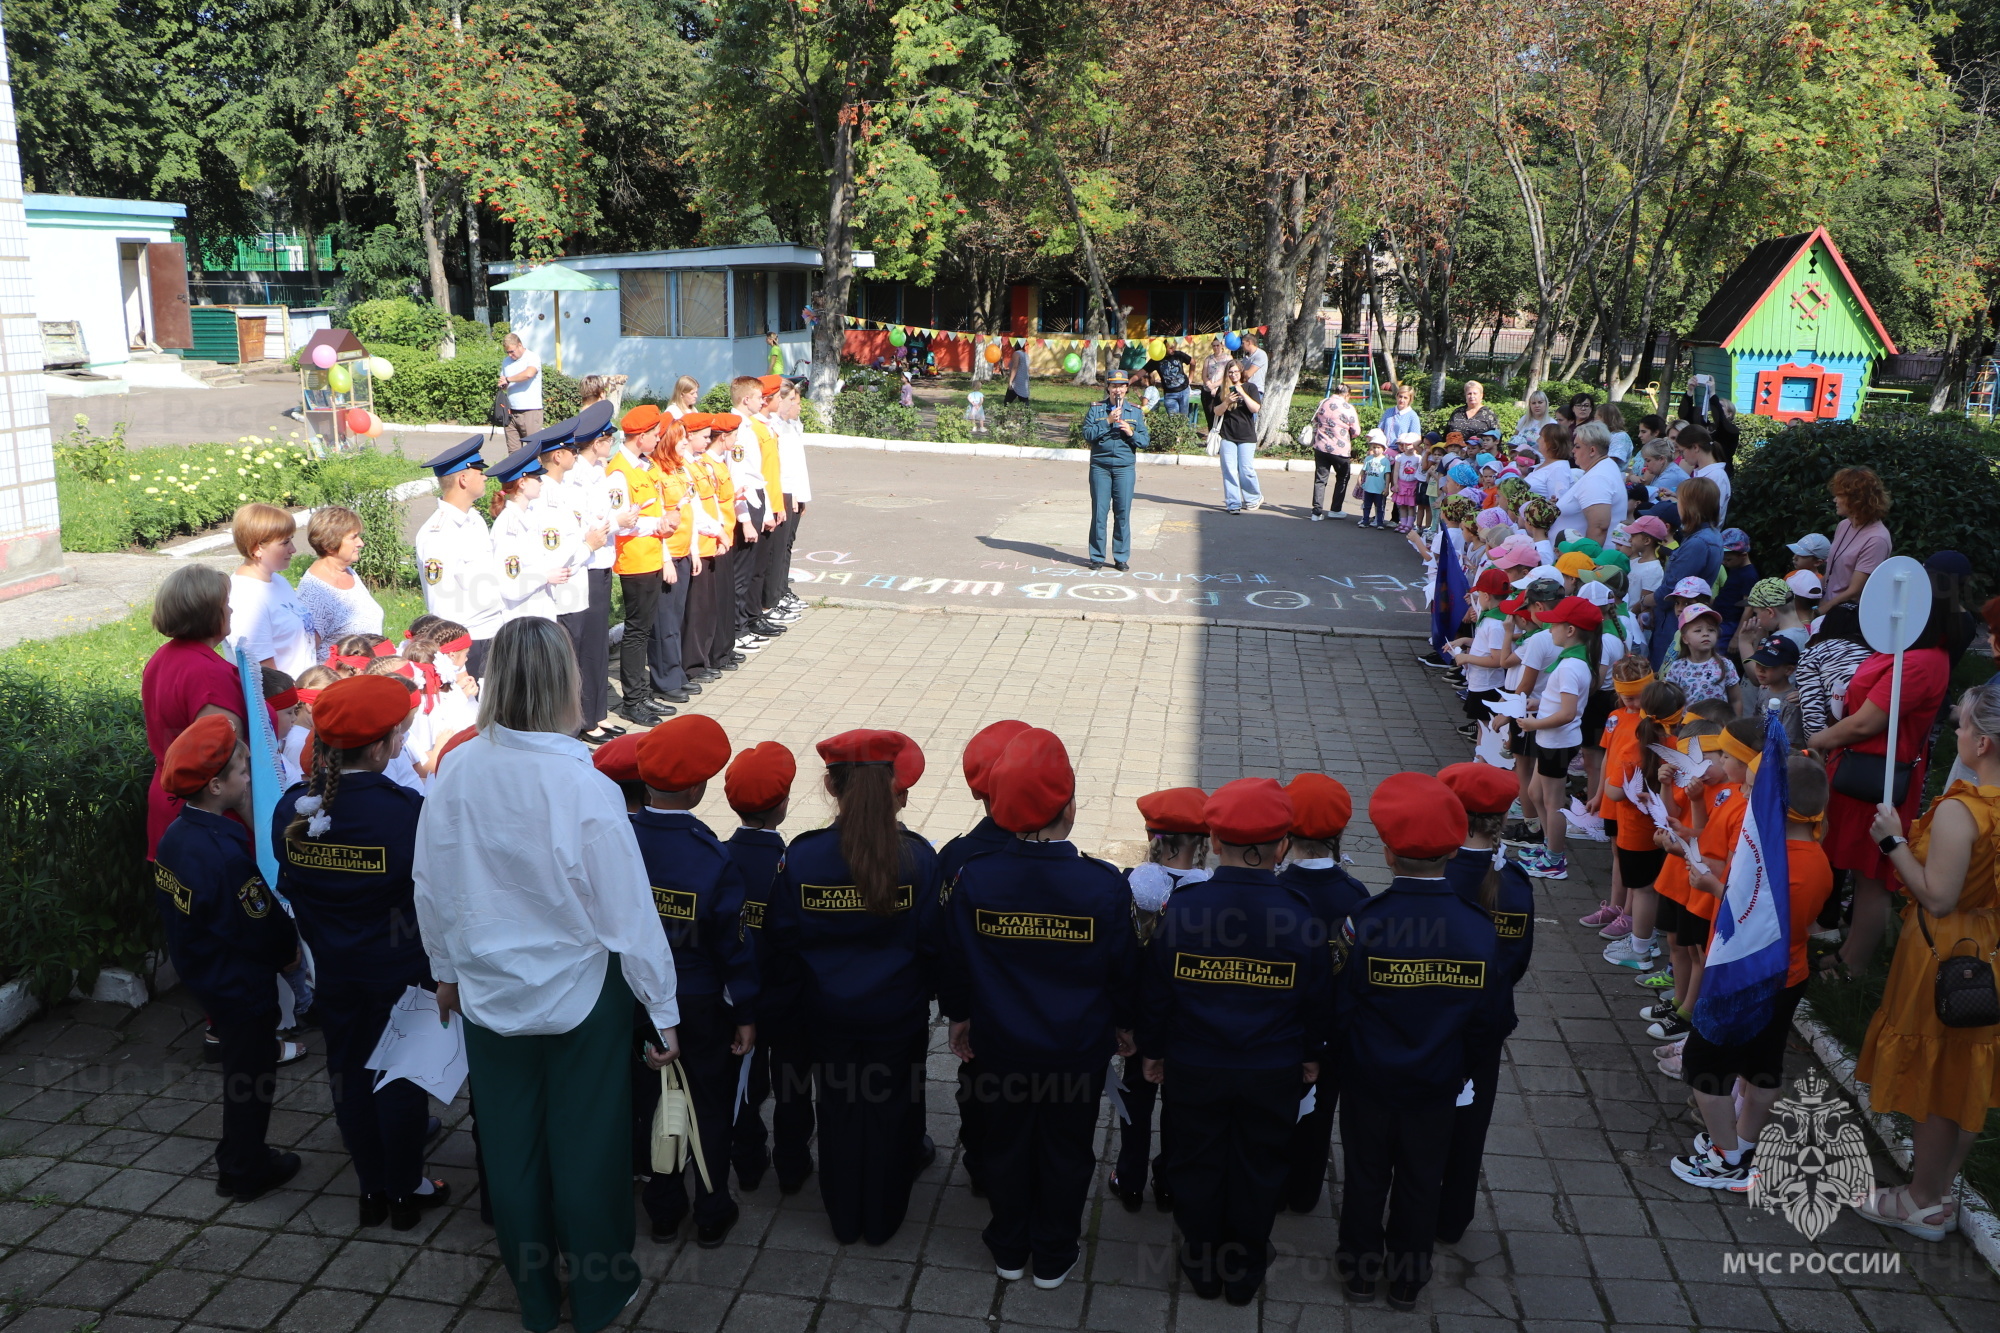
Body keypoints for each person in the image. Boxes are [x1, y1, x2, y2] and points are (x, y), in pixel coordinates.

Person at [413, 618, 681, 1333]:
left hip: (487, 990)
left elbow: (429, 882)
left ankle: (534, 1295)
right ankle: (597, 1293)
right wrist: (664, 1006)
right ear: (567, 682)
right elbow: (629, 912)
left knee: (508, 1148)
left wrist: (443, 969)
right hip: (582, 994)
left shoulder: (457, 769)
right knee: (588, 1146)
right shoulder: (582, 782)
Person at [941, 727, 1138, 1290]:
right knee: (1068, 1151)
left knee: (1005, 1145)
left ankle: (1008, 1246)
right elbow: (1122, 967)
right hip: (1074, 1051)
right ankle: (1052, 1254)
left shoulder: (976, 877)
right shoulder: (1101, 886)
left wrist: (958, 1015)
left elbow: (956, 960)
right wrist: (1125, 1024)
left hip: (1000, 1046)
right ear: (1071, 807)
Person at [1138, 778, 1328, 1306]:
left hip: (1195, 1063)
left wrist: (1153, 1049)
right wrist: (1312, 1053)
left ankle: (1201, 1262)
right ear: (1282, 846)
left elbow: (1158, 991)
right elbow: (1317, 998)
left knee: (1195, 1160)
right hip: (1271, 1067)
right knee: (1261, 1163)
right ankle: (1243, 1268)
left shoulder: (1183, 908)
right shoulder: (1300, 913)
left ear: (1215, 844)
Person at [274, 674, 445, 1228]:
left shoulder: (291, 811)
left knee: (347, 1071)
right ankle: (406, 1189)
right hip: (401, 969)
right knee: (400, 1075)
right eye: (398, 735)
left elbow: (293, 888)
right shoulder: (406, 813)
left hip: (336, 969)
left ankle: (372, 1189)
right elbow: (436, 896)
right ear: (380, 748)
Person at [766, 729, 940, 1246]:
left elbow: (783, 941)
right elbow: (933, 944)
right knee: (891, 1111)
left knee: (839, 1112)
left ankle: (844, 1220)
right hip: (897, 1013)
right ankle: (883, 1220)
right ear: (892, 787)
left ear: (830, 785)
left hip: (827, 1012)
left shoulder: (802, 857)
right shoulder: (919, 858)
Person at [1335, 773, 1495, 1310]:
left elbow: (1343, 1005)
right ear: (1452, 851)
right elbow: (1491, 1018)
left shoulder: (1366, 921)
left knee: (1364, 1174)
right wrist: (1464, 1070)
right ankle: (1407, 1280)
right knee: (1423, 1179)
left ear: (1387, 852)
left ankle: (1358, 1274)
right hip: (1437, 1081)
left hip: (1370, 1078)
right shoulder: (1476, 927)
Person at [1856, 677, 2000, 1239]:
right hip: (1990, 946)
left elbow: (1936, 895)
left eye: (1962, 725)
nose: (1958, 732)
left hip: (1946, 951)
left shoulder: (1962, 814)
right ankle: (1940, 1185)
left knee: (1939, 1074)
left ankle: (1922, 1200)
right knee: (1967, 1070)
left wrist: (1892, 842)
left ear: (1982, 743)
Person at [1668, 749, 1835, 1190]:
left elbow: (1759, 921)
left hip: (1748, 979)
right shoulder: (1812, 853)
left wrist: (1711, 885)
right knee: (1762, 1065)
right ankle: (1743, 1147)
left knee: (1705, 1066)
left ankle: (1726, 1159)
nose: (1745, 795)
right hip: (1786, 978)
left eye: (1753, 790)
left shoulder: (1789, 863)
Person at [153, 715, 302, 1201]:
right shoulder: (225, 854)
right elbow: (259, 924)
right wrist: (289, 954)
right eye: (242, 770)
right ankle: (243, 1166)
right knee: (251, 1077)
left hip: (206, 975)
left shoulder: (178, 835)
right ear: (216, 786)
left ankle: (241, 1158)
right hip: (241, 987)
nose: (248, 777)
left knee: (243, 1070)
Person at [628, 716, 758, 1248]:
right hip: (699, 1000)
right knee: (707, 1102)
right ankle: (711, 1210)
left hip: (634, 994)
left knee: (648, 1096)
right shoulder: (711, 855)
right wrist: (746, 1012)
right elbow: (733, 945)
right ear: (701, 788)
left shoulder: (622, 838)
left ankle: (661, 1209)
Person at [1810, 583, 1953, 978]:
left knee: (1872, 876)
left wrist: (1817, 740)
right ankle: (1848, 953)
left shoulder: (1920, 661)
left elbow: (1867, 722)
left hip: (1876, 780)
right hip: (1867, 773)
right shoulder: (1914, 652)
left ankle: (1854, 966)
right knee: (1863, 871)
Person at [1434, 763, 1534, 1242]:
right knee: (1470, 1123)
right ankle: (1453, 1217)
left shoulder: (1436, 874)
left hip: (1432, 1019)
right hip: (1486, 1023)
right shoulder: (1514, 883)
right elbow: (1516, 962)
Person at [936, 720, 1032, 1198]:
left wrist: (958, 1011)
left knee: (977, 1091)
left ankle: (980, 1165)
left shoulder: (956, 857)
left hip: (981, 1014)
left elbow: (947, 948)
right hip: (1042, 1018)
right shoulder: (1060, 864)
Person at [1109, 786, 1210, 1212]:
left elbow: (1120, 965)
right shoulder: (1207, 898)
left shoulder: (1131, 890)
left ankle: (1129, 1179)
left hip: (1137, 1026)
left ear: (1154, 840)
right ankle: (1169, 1180)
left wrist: (1122, 1023)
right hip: (1187, 1028)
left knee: (1133, 1101)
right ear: (1203, 844)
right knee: (1180, 1109)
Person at [722, 742, 813, 1195]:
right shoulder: (796, 863)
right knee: (793, 1085)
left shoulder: (718, 855)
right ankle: (793, 1166)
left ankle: (749, 1161)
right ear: (783, 804)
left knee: (745, 1084)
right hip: (790, 999)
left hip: (738, 999)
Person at [1276, 774, 1367, 1216]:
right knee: (1318, 1113)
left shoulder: (1274, 892)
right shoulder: (1354, 896)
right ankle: (1306, 1189)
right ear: (1341, 833)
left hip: (1275, 1028)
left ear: (1286, 831)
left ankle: (1270, 1187)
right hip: (1330, 1032)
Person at [142, 565, 249, 860]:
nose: (231, 610)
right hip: (212, 823)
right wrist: (266, 834)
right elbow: (222, 766)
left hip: (175, 805)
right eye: (224, 603)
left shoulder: (165, 656)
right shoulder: (207, 674)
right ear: (208, 612)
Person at [531, 410, 613, 736]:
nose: (576, 454)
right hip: (563, 595)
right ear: (558, 455)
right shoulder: (547, 496)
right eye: (571, 450)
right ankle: (572, 728)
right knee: (569, 667)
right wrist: (589, 546)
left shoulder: (561, 490)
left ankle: (583, 722)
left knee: (580, 661)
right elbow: (557, 554)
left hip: (576, 591)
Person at [605, 405, 688, 726]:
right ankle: (633, 700)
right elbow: (622, 523)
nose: (658, 438)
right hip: (635, 559)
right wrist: (659, 523)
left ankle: (642, 691)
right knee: (637, 632)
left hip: (651, 554)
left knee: (646, 628)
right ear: (639, 437)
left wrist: (662, 524)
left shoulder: (643, 465)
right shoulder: (618, 472)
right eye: (654, 434)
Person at [1515, 596, 1603, 882]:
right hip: (1551, 740)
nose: (1548, 628)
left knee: (1553, 802)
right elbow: (1563, 704)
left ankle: (1554, 859)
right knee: (1535, 793)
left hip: (1557, 741)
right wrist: (1537, 705)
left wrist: (1533, 723)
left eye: (1555, 624)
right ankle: (1548, 847)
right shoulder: (1572, 662)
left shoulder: (1568, 667)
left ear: (1570, 631)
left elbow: (1566, 714)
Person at [414, 436, 504, 679]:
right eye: (479, 471)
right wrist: (457, 664)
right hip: (467, 644)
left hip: (492, 633)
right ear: (463, 478)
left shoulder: (474, 519)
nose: (485, 477)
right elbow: (440, 604)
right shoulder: (438, 532)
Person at [486, 442, 574, 627]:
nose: (542, 482)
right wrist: (544, 576)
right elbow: (509, 586)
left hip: (539, 614)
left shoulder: (529, 517)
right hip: (521, 621)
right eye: (537, 477)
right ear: (522, 482)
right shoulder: (508, 526)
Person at [226, 503, 315, 677]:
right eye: (285, 542)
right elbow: (264, 675)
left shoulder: (277, 581)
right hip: (286, 701)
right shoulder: (245, 598)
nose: (293, 549)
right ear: (257, 548)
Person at [1646, 478, 1724, 667]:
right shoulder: (1711, 535)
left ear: (1690, 505)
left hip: (1678, 619)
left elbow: (1671, 589)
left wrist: (1642, 603)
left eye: (1679, 500)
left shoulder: (1698, 543)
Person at [1080, 369, 1149, 570]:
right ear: (1108, 388)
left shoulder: (1135, 411)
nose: (1117, 390)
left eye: (1121, 386)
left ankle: (1121, 557)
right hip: (1100, 466)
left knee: (1122, 512)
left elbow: (1144, 441)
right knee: (1100, 512)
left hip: (1124, 468)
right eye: (1113, 386)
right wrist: (1108, 421)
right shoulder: (1096, 409)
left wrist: (1130, 432)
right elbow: (1087, 434)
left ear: (1127, 388)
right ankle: (1097, 557)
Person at [297, 506, 384, 650]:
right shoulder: (314, 594)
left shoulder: (349, 572)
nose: (361, 543)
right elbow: (307, 652)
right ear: (330, 544)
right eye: (353, 537)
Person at [766, 380, 814, 621]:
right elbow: (782, 467)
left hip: (794, 493)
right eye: (794, 400)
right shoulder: (775, 427)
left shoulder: (792, 425)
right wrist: (792, 495)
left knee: (787, 545)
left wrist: (801, 496)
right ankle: (773, 596)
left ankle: (781, 590)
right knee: (778, 548)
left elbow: (797, 465)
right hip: (784, 493)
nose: (799, 405)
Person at [1821, 466, 1893, 613]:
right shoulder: (1844, 525)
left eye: (1840, 495)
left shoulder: (1876, 539)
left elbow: (1854, 592)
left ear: (1856, 499)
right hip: (1828, 609)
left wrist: (1820, 611)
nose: (1835, 500)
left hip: (1847, 616)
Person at [1552, 423, 1627, 546]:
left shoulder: (1598, 477)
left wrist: (1587, 561)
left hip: (1582, 560)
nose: (1573, 450)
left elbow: (1599, 527)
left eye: (1577, 446)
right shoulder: (1602, 468)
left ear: (1592, 450)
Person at [1214, 361, 1263, 515]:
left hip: (1246, 436)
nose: (1233, 375)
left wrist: (1242, 393)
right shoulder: (1222, 390)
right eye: (1230, 372)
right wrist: (1227, 401)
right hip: (1228, 435)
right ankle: (1233, 502)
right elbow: (1216, 412)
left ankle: (1254, 498)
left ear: (1241, 372)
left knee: (1246, 470)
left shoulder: (1251, 388)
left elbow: (1255, 408)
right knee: (1229, 470)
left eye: (1236, 372)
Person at [1309, 384, 1361, 521]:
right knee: (1342, 478)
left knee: (1320, 479)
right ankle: (1335, 509)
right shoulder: (1348, 408)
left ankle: (1316, 512)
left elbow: (1315, 421)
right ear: (1347, 395)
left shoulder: (1323, 402)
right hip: (1340, 449)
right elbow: (1356, 431)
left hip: (1321, 446)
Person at [498, 331, 543, 452]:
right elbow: (504, 382)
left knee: (533, 451)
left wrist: (508, 379)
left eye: (512, 351)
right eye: (507, 352)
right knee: (514, 452)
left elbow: (529, 374)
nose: (510, 355)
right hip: (510, 411)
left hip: (530, 411)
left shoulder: (532, 357)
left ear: (519, 345)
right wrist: (503, 385)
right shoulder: (506, 361)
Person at [1677, 425, 1732, 525]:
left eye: (1682, 451)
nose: (1682, 456)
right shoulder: (1702, 472)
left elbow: (1707, 516)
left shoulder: (1716, 476)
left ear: (1695, 447)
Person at [1152, 338, 1194, 419]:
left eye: (1174, 347)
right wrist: (1129, 381)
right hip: (1169, 394)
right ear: (1164, 348)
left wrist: (1191, 378)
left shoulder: (1178, 355)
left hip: (1183, 391)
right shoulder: (1157, 358)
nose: (1173, 350)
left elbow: (1193, 362)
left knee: (1183, 418)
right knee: (1173, 419)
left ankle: (1183, 431)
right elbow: (1142, 371)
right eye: (1170, 348)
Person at [1200, 338, 1234, 428]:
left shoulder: (1228, 358)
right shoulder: (1208, 359)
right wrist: (1210, 386)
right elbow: (1204, 375)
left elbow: (1227, 375)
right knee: (1209, 413)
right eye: (1214, 345)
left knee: (1221, 413)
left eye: (1217, 345)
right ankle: (1211, 435)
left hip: (1222, 388)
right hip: (1208, 389)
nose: (1216, 347)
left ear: (1222, 346)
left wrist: (1215, 386)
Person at [1378, 383, 1422, 451]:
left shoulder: (1412, 416)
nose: (1402, 400)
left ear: (1410, 400)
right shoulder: (1389, 411)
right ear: (1396, 396)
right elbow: (1380, 430)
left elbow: (1417, 438)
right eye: (1400, 396)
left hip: (1401, 453)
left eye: (1405, 398)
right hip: (1384, 450)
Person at [1360, 434, 1391, 528]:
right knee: (1367, 506)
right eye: (1374, 447)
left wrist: (1386, 488)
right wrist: (1360, 481)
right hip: (1368, 487)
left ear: (1383, 449)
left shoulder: (1385, 461)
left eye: (1378, 447)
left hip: (1379, 488)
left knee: (1380, 507)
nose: (1376, 450)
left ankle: (1380, 523)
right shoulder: (1368, 459)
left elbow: (1387, 474)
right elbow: (1363, 471)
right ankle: (1365, 521)